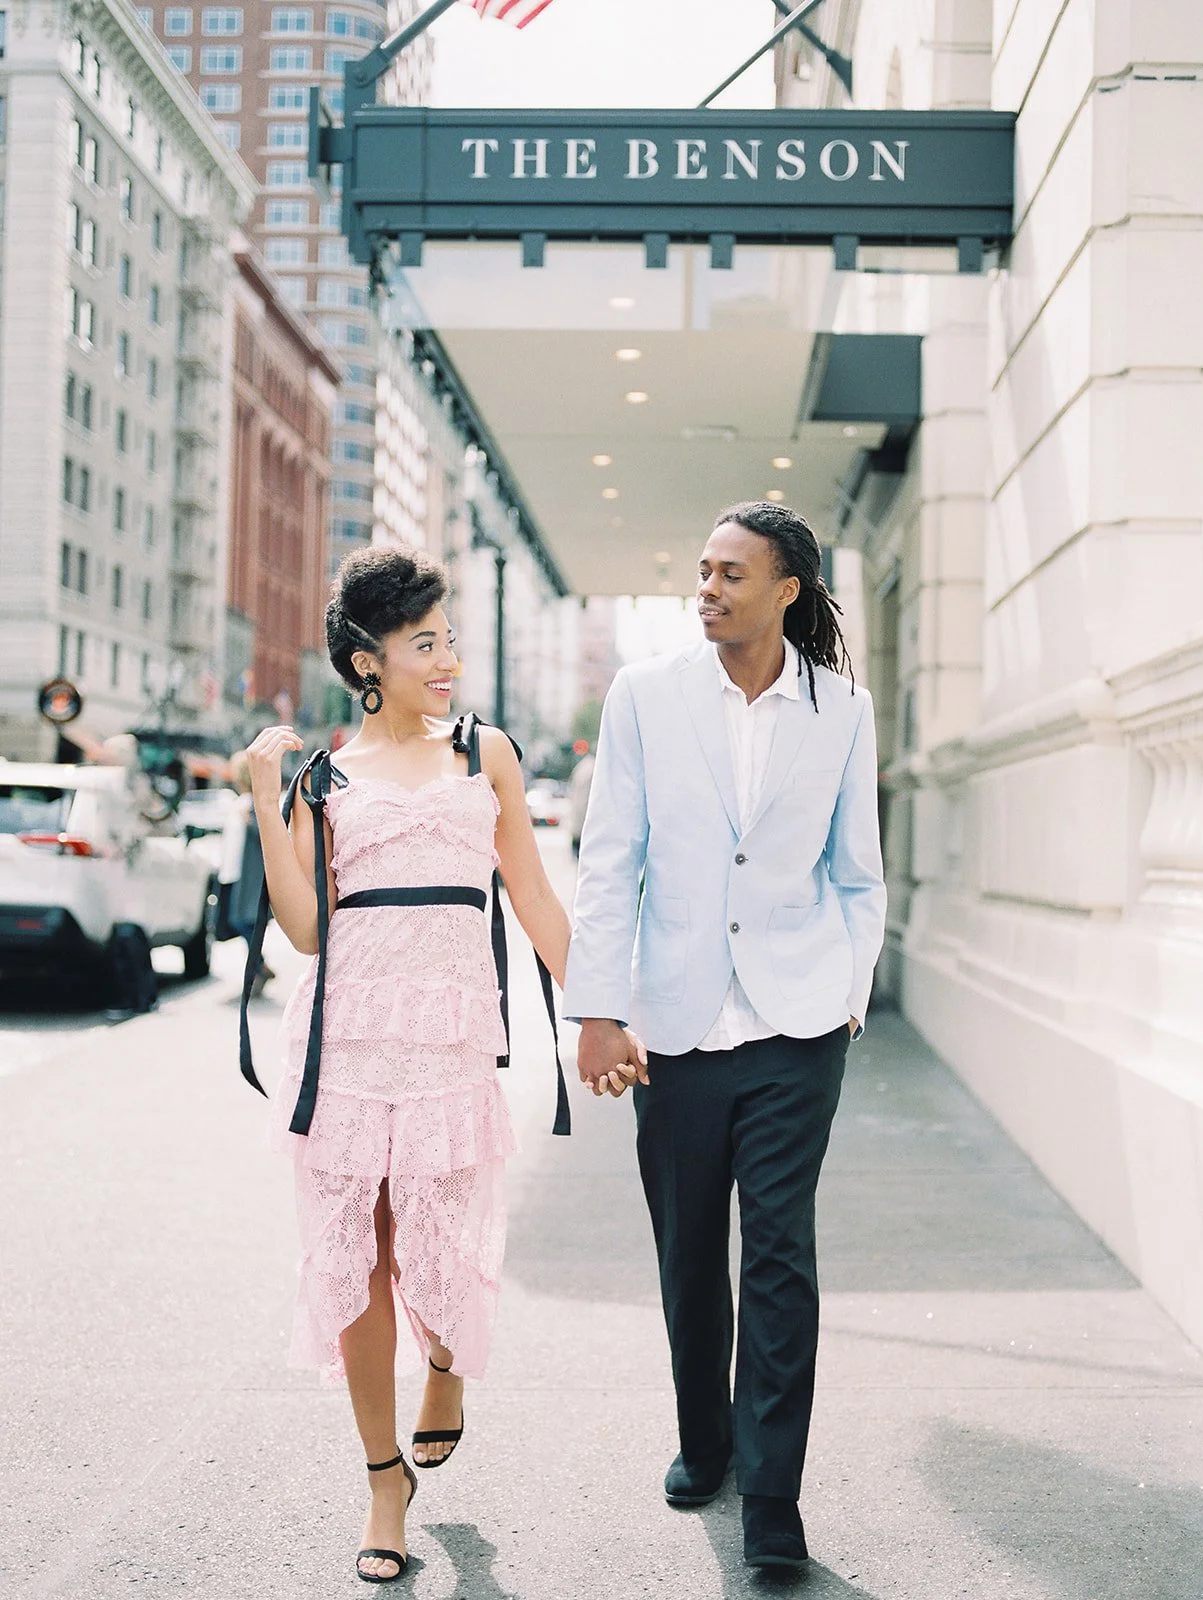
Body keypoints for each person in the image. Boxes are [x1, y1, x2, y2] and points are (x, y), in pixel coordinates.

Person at [246, 544, 642, 1585]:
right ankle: (384, 1482)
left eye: (449, 637)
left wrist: (600, 1014)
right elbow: (302, 931)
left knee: (441, 1237)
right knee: (359, 1257)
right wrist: (260, 794)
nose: (447, 659)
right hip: (345, 1045)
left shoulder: (485, 754)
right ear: (366, 660)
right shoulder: (324, 777)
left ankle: (447, 1367)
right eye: (425, 642)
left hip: (447, 1043)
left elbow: (536, 898)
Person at [564, 501, 887, 1572]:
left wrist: (847, 992)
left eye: (729, 573)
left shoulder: (841, 708)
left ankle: (772, 1496)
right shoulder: (646, 697)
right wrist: (598, 1011)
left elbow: (857, 872)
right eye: (699, 571)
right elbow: (610, 859)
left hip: (799, 1023)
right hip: (676, 1025)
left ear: (786, 587)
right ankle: (704, 1439)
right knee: (690, 1248)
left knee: (780, 1254)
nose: (706, 589)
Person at [217, 750, 271, 995]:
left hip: (249, 876)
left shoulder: (255, 803)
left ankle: (258, 968)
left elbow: (264, 836)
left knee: (242, 921)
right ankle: (259, 967)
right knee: (237, 921)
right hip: (235, 873)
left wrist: (249, 821)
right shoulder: (239, 802)